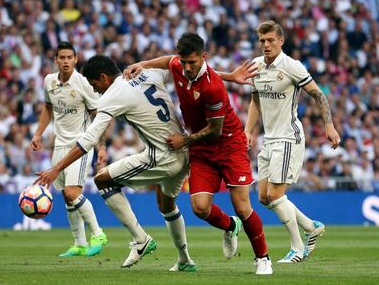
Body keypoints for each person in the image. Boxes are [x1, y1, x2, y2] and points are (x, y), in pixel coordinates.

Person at [125, 33, 272, 275]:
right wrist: (144, 64)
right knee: (200, 208)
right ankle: (229, 226)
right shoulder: (180, 65)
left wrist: (184, 140)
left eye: (192, 62)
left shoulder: (213, 87)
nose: (187, 67)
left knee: (242, 206)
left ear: (204, 57)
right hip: (202, 149)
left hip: (228, 144)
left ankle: (263, 258)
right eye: (184, 62)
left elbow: (215, 130)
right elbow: (169, 60)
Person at [34, 54, 197, 271]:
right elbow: (178, 64)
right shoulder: (145, 72)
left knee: (103, 180)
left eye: (94, 85)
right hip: (185, 149)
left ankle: (141, 239)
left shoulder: (111, 95)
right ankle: (185, 259)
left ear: (103, 77)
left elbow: (88, 139)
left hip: (163, 155)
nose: (95, 91)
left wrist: (56, 168)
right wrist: (145, 63)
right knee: (166, 205)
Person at [244, 20, 341, 263]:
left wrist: (329, 125)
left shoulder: (291, 66)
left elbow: (318, 94)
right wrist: (249, 130)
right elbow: (255, 101)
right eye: (262, 41)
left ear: (281, 41)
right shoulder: (256, 66)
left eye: (270, 40)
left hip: (288, 137)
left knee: (276, 195)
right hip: (270, 138)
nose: (266, 45)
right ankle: (311, 226)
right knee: (264, 197)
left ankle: (298, 248)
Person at [30, 41, 108, 257]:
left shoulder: (83, 83)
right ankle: (79, 243)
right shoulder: (49, 81)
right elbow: (48, 108)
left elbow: (98, 115)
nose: (65, 61)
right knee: (66, 195)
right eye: (61, 57)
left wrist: (101, 146)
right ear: (56, 60)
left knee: (73, 192)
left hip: (81, 145)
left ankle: (98, 233)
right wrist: (38, 134)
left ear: (76, 59)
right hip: (59, 145)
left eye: (69, 58)